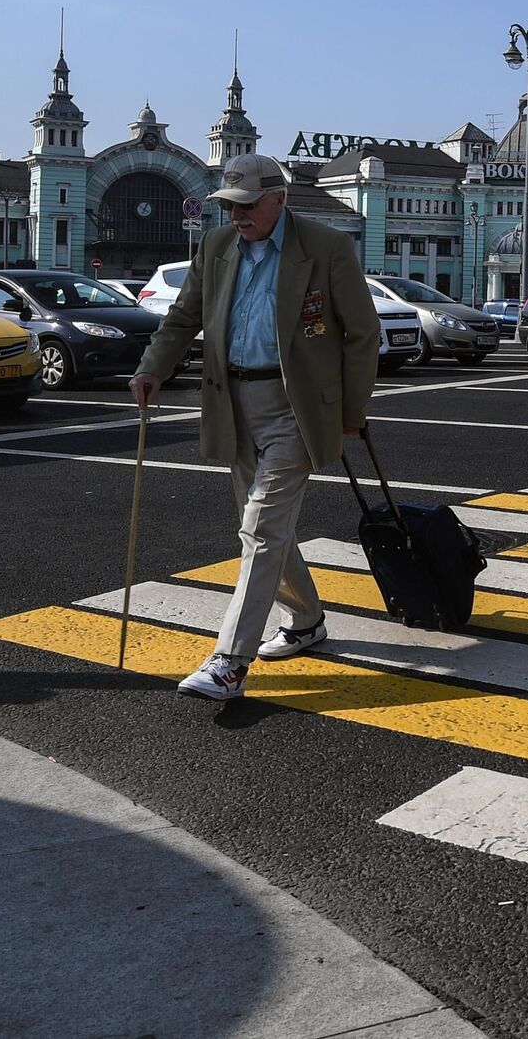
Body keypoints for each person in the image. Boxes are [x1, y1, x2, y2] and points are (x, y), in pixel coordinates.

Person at [129, 154, 380, 702]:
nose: (236, 215)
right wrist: (153, 367)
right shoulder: (217, 248)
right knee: (266, 528)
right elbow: (182, 318)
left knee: (261, 527)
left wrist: (350, 414)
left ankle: (230, 661)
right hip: (232, 401)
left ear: (277, 199)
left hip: (297, 406)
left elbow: (363, 334)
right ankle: (308, 620)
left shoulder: (326, 247)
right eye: (229, 205)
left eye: (246, 205)